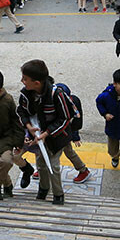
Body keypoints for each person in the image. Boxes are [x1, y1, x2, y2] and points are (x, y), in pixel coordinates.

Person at [16, 59, 73, 205]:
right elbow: (21, 111)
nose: (22, 81)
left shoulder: (57, 94)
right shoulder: (26, 94)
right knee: (40, 163)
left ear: (37, 83)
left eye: (25, 79)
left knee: (53, 165)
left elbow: (65, 118)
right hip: (37, 137)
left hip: (55, 138)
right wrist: (28, 126)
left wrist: (47, 133)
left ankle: (58, 194)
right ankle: (43, 188)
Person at [0, 69, 36, 199]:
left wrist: (18, 141)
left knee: (6, 161)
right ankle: (7, 185)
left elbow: (15, 121)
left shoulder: (7, 100)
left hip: (6, 137)